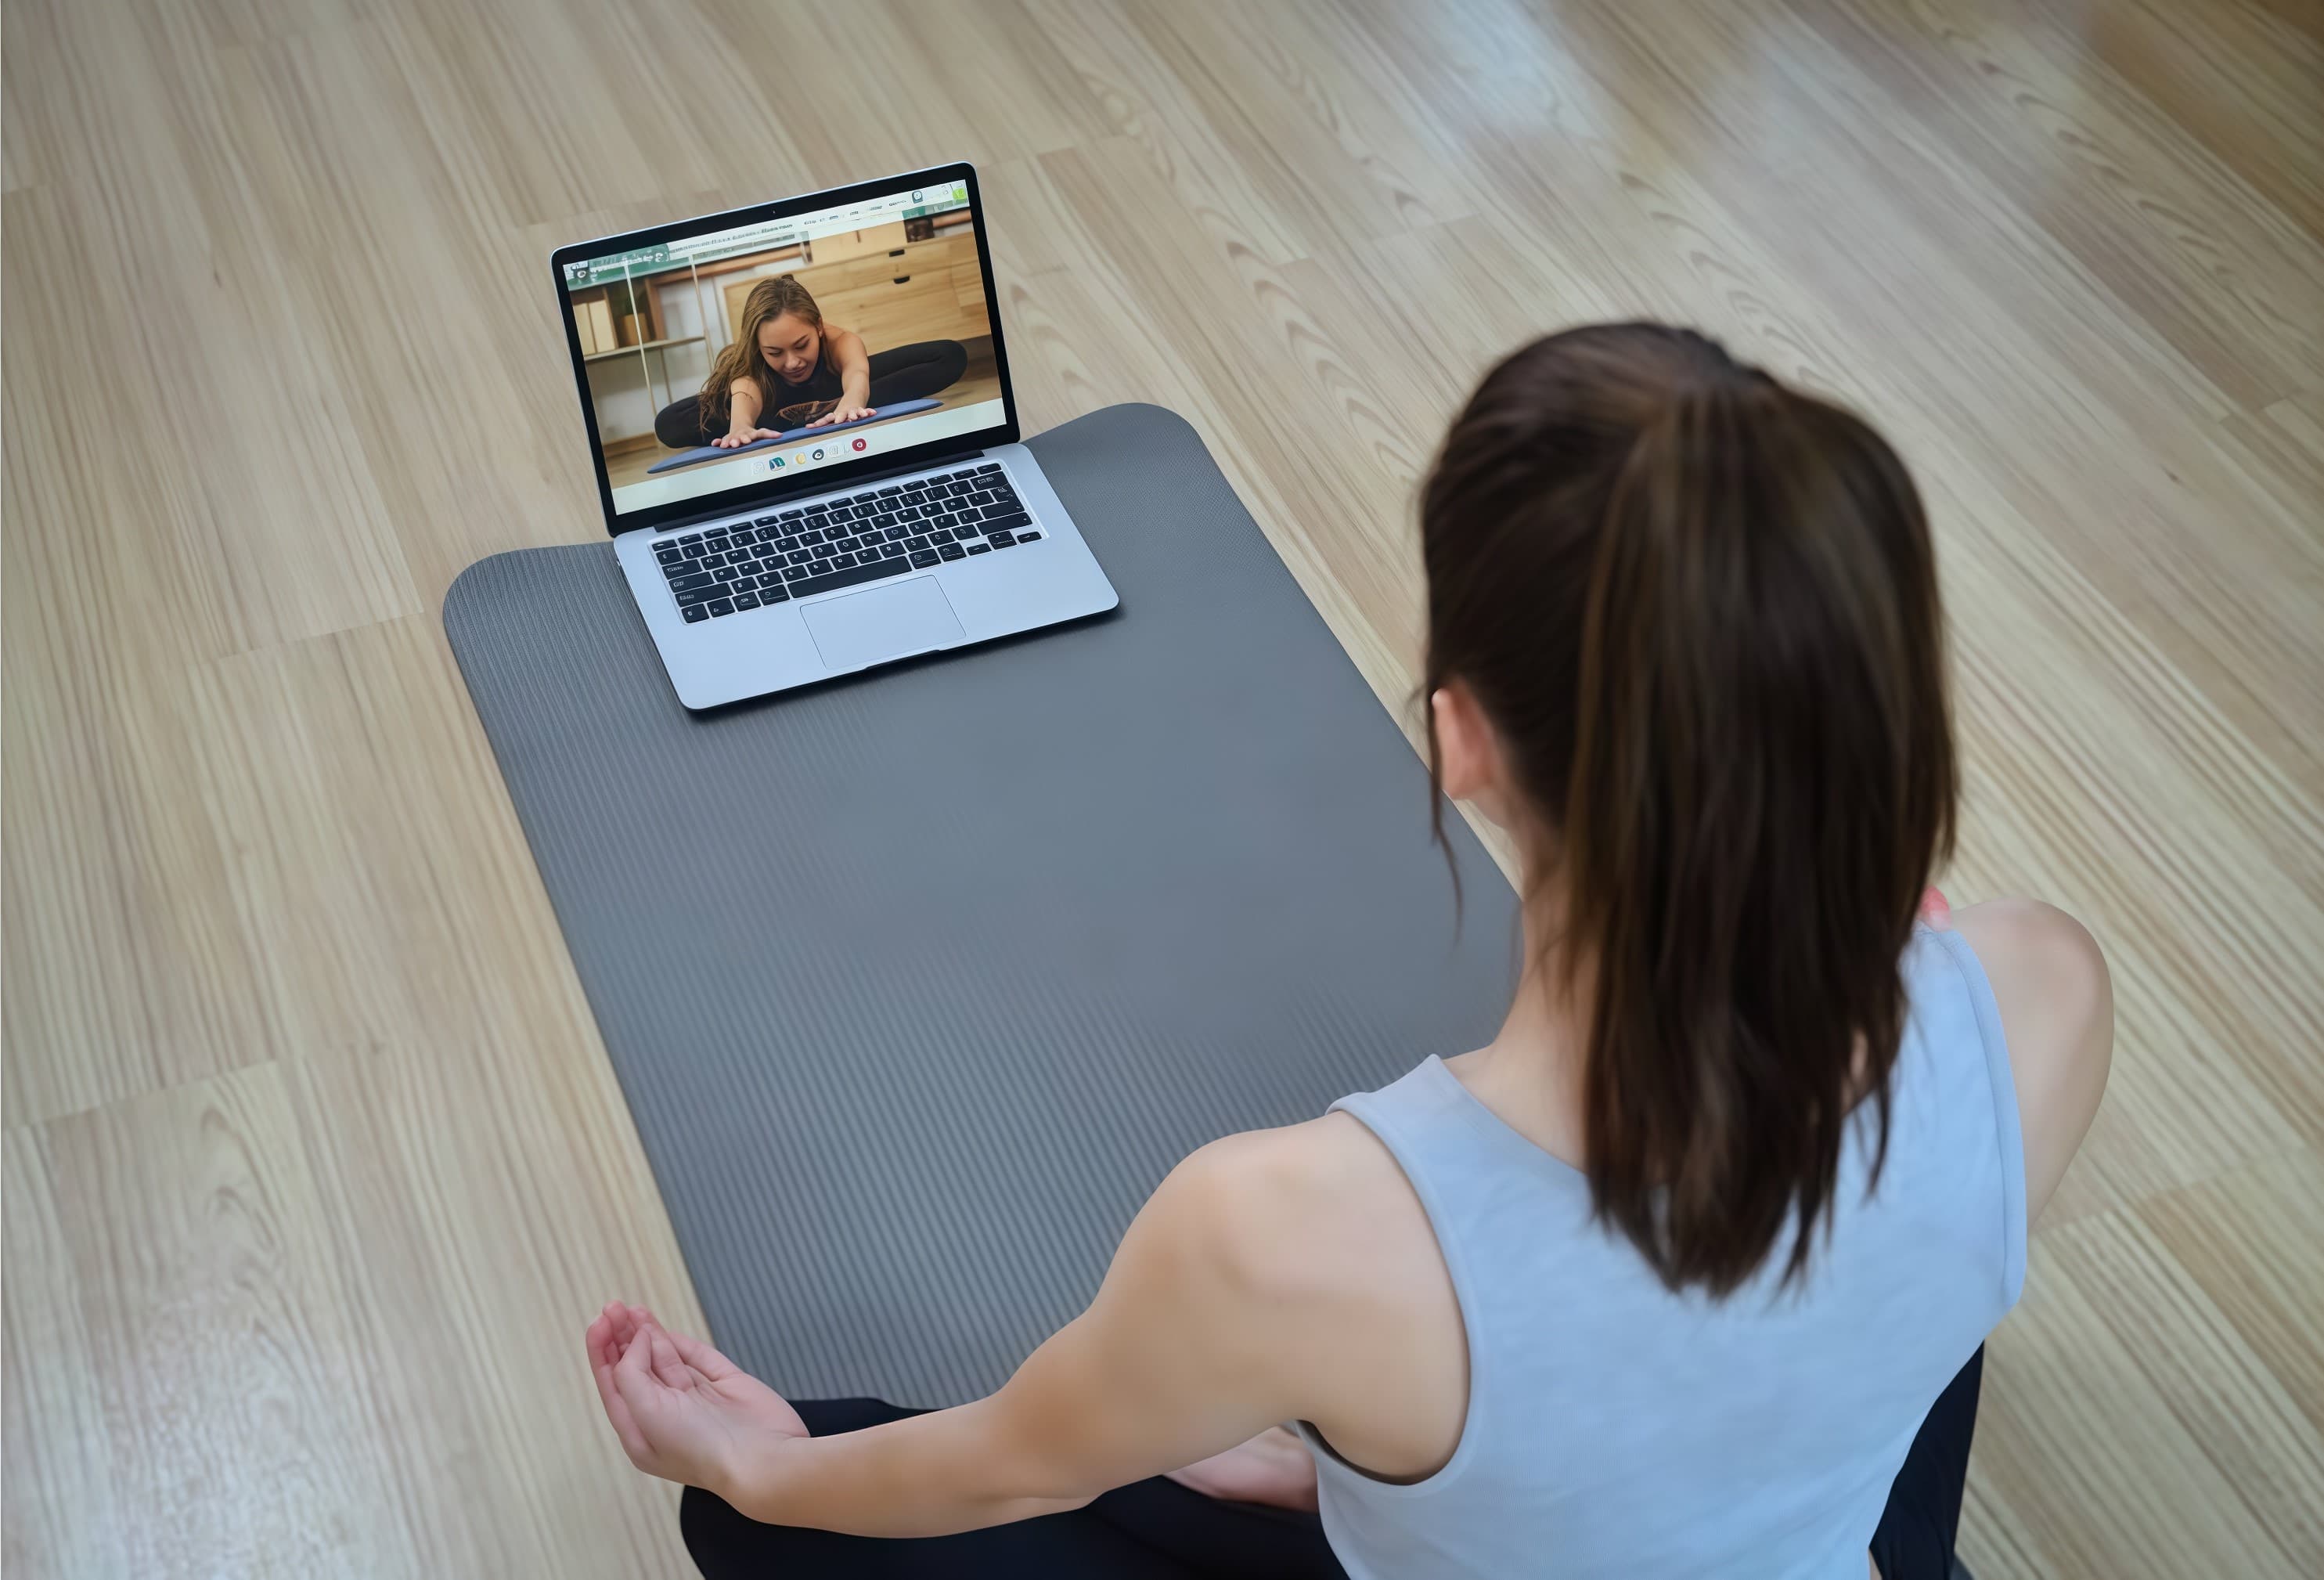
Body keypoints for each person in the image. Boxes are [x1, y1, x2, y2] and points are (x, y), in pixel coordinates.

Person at [586, 323, 2113, 1579]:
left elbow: (996, 1472)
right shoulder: (2038, 993)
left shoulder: (1291, 1234)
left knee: (767, 1499)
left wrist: (753, 1461)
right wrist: (1369, 1483)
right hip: (1810, 1530)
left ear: (1457, 739)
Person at [657, 273, 967, 449]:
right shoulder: (751, 366)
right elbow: (744, 391)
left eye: (801, 345)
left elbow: (858, 370)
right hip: (767, 405)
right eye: (775, 353)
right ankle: (808, 413)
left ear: (818, 326)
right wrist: (741, 427)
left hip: (840, 393)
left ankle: (825, 409)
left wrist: (852, 402)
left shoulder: (840, 341)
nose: (792, 362)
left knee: (948, 355)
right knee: (670, 423)